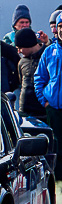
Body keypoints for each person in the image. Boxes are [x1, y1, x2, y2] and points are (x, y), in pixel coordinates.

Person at [35, 12, 62, 180]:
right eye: (60, 27)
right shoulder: (49, 51)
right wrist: (44, 101)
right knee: (56, 147)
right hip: (54, 109)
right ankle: (57, 180)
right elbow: (39, 78)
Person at [15, 28, 47, 121]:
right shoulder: (22, 62)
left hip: (42, 112)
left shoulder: (46, 57)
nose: (19, 51)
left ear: (28, 44)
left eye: (20, 48)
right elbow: (21, 82)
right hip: (25, 112)